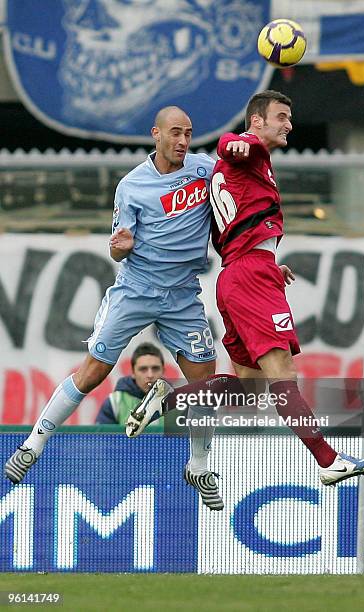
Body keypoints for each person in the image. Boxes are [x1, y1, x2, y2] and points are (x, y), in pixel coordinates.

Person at [131, 91, 364, 487]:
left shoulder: (241, 172)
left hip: (238, 274)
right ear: (257, 122)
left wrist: (262, 258)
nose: (289, 124)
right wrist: (241, 143)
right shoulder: (248, 152)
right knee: (283, 374)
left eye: (290, 117)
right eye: (281, 116)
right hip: (250, 278)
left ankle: (169, 398)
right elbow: (228, 146)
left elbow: (230, 223)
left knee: (248, 391)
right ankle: (328, 460)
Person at [4, 106, 223, 510]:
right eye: (175, 133)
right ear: (155, 133)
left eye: (189, 134)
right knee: (92, 373)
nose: (182, 141)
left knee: (205, 385)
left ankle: (199, 465)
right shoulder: (132, 186)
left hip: (182, 295)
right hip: (136, 289)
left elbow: (232, 214)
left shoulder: (205, 171)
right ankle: (32, 445)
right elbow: (119, 244)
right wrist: (117, 249)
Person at [95, 342, 164, 429]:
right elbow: (103, 440)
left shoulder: (177, 402)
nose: (150, 375)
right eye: (143, 369)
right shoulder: (115, 402)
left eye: (155, 368)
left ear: (163, 371)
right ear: (133, 373)